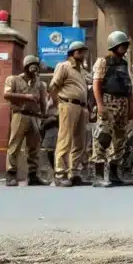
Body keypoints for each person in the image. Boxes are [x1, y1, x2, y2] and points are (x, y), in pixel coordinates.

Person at [90, 31, 133, 187]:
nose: (124, 48)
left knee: (120, 140)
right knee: (102, 138)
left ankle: (114, 175)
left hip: (122, 103)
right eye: (122, 45)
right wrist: (100, 105)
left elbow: (128, 87)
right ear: (114, 45)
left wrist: (131, 107)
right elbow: (96, 85)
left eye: (125, 45)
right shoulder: (103, 62)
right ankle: (98, 176)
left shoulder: (124, 64)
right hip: (108, 102)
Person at [49, 40, 89, 187]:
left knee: (80, 141)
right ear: (72, 53)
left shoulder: (82, 70)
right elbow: (53, 86)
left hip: (82, 106)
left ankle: (74, 172)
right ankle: (60, 173)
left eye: (83, 51)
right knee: (65, 139)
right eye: (79, 51)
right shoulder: (64, 66)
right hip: (67, 103)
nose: (82, 54)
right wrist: (57, 103)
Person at [3, 55, 47, 187]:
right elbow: (6, 95)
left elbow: (43, 100)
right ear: (26, 66)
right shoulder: (14, 79)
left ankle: (33, 175)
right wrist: (25, 97)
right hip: (20, 114)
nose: (35, 68)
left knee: (34, 147)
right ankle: (11, 174)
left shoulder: (39, 83)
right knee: (14, 145)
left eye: (36, 65)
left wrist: (43, 116)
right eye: (32, 65)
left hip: (34, 116)